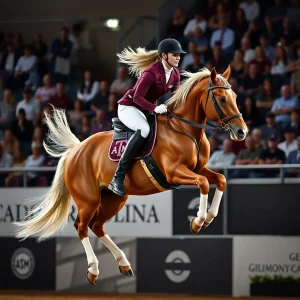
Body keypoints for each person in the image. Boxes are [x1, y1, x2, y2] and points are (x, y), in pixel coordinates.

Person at [108, 38, 186, 196]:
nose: (178, 57)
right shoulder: (151, 72)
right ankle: (118, 177)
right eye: (175, 55)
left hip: (147, 110)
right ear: (164, 56)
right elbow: (137, 97)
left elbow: (175, 98)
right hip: (129, 106)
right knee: (144, 129)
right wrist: (155, 107)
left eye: (179, 55)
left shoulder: (175, 74)